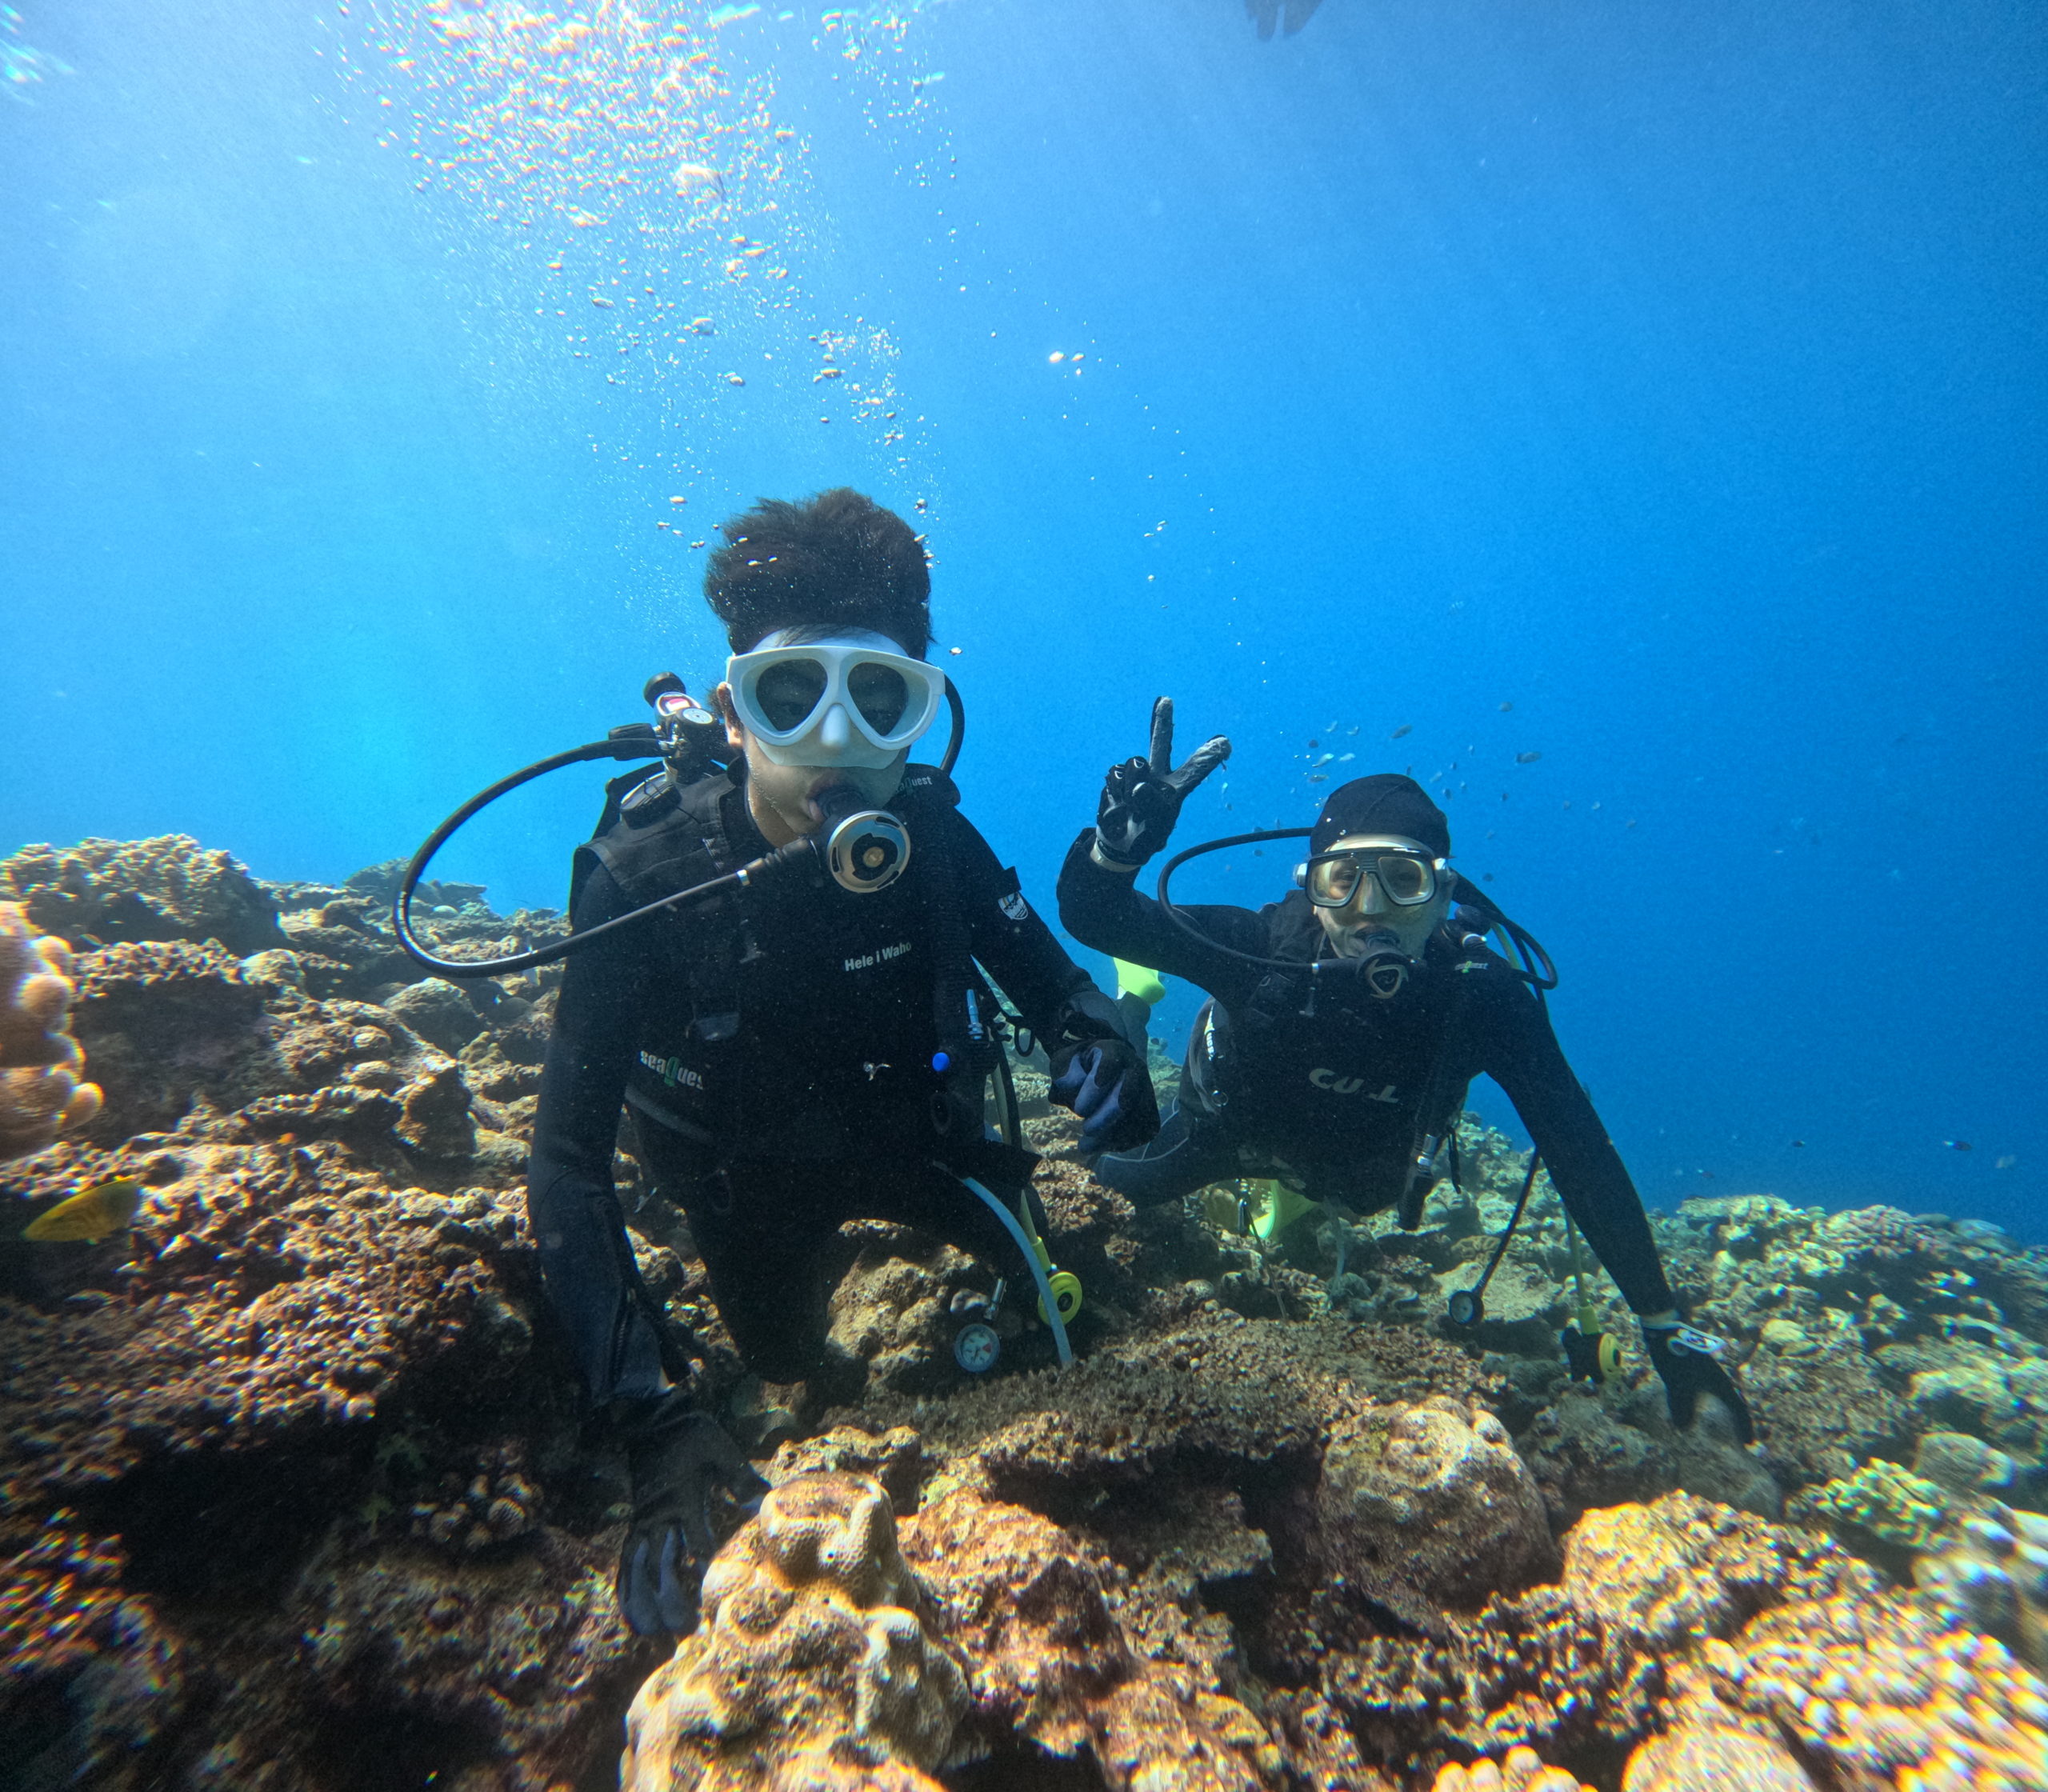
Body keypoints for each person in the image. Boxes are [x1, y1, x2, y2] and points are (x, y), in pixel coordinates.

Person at [529, 490, 1159, 1634]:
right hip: (746, 1186)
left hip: (923, 1146)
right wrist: (651, 1418)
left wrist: (1100, 1046)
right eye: (791, 694)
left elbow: (1061, 992)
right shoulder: (642, 877)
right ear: (733, 716)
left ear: (919, 717)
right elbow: (566, 1162)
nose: (834, 740)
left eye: (878, 699)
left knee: (1070, 1309)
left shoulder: (938, 842)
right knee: (779, 1360)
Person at [1056, 700, 1755, 1446]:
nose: (1370, 911)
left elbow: (1576, 1146)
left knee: (1351, 1197)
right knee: (1103, 1191)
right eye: (1342, 882)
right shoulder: (1261, 950)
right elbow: (1097, 917)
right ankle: (1134, 1007)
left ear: (1445, 894)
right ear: (1311, 889)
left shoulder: (1482, 999)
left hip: (1367, 1178)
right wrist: (1116, 853)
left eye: (1402, 880)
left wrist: (1663, 1324)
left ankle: (1292, 1208)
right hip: (1228, 1134)